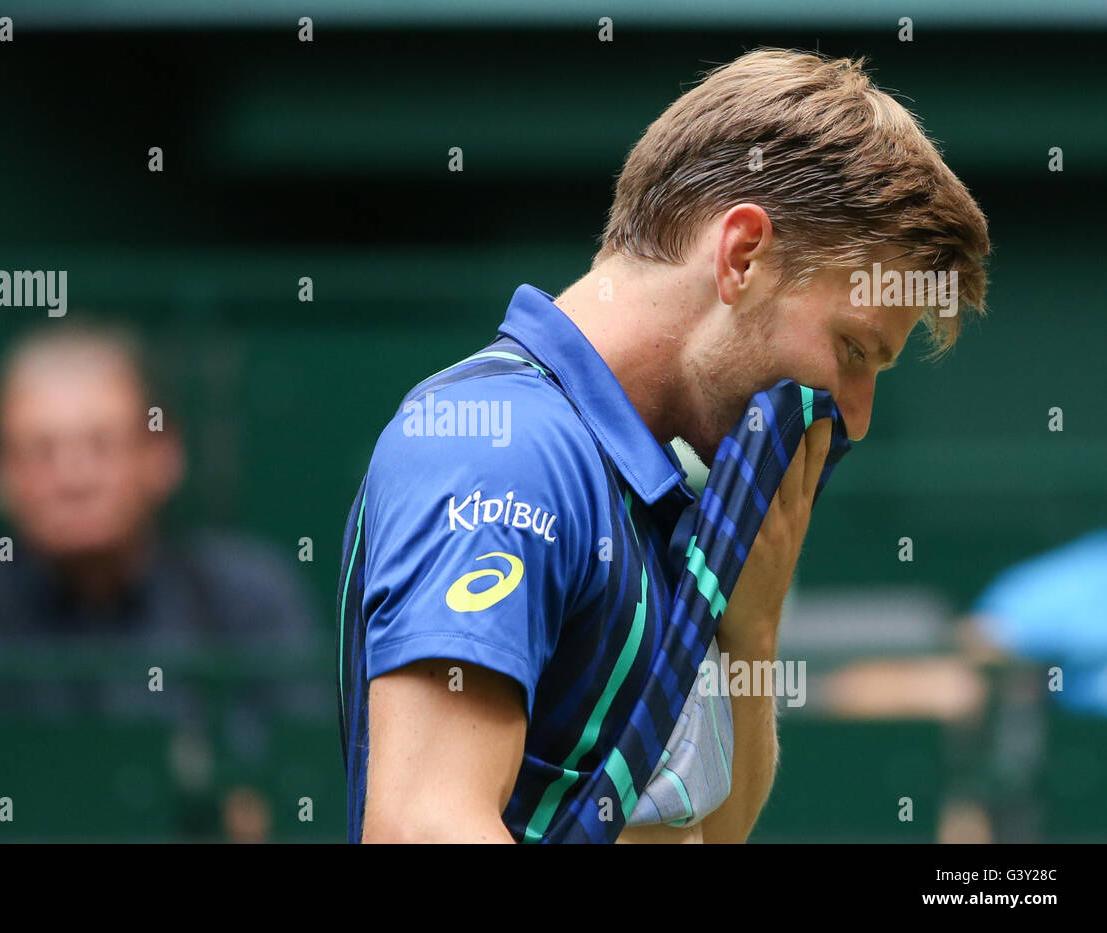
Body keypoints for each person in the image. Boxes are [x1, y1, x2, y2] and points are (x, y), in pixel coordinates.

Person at [337, 49, 990, 843]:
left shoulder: (668, 485)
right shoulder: (504, 450)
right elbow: (421, 826)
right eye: (854, 349)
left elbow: (714, 830)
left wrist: (749, 629)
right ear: (742, 254)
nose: (855, 417)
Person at [0, 323, 321, 841]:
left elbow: (294, 791)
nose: (73, 478)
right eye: (40, 450)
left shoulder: (246, 595)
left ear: (162, 454)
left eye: (101, 444)